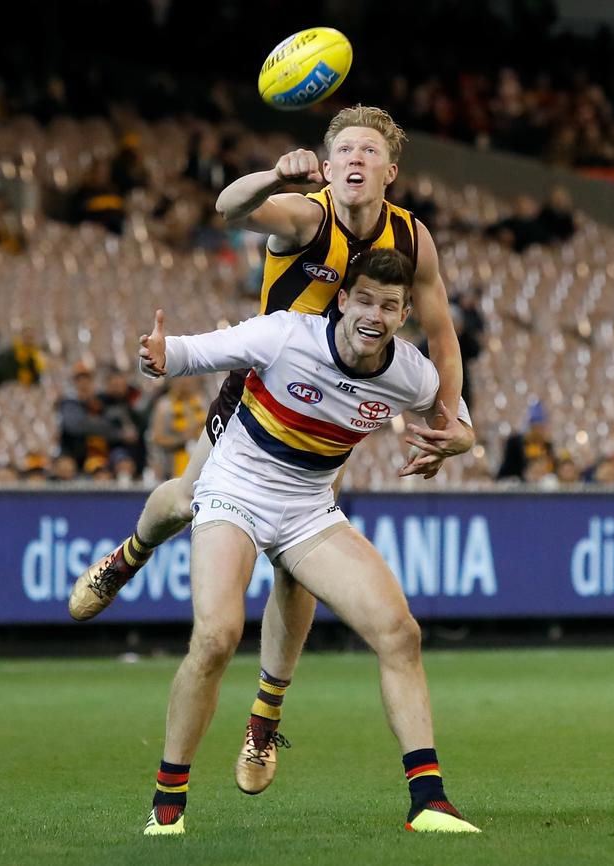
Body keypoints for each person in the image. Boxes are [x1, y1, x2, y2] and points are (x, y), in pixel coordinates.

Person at [69, 105, 470, 790]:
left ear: (389, 170)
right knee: (190, 499)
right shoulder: (306, 218)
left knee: (298, 560)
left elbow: (441, 330)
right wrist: (268, 176)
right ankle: (127, 556)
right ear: (329, 160)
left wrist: (451, 417)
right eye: (343, 146)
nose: (355, 158)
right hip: (265, 383)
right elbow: (228, 208)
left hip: (337, 409)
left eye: (369, 150)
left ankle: (263, 719)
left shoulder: (411, 239)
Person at [135, 249, 479, 836]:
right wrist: (163, 355)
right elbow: (194, 352)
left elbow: (461, 425)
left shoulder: (412, 373)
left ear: (402, 317)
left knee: (400, 632)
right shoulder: (285, 335)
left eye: (391, 306)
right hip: (233, 493)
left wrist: (458, 442)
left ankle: (429, 802)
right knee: (217, 637)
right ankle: (168, 803)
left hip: (308, 512)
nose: (376, 314)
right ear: (343, 301)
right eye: (365, 300)